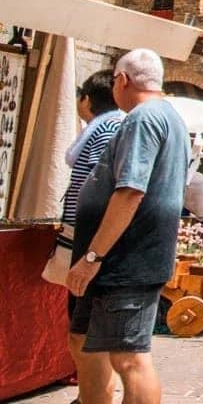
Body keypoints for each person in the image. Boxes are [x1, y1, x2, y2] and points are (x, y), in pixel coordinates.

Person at [66, 49, 189, 404]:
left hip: (128, 258)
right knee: (84, 341)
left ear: (122, 80)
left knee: (128, 357)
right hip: (124, 258)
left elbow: (130, 191)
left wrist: (93, 256)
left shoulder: (143, 118)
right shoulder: (167, 116)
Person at [61, 70, 123, 404]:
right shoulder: (109, 128)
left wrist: (93, 252)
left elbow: (101, 187)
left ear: (86, 100)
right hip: (91, 239)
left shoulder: (106, 129)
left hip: (92, 242)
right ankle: (91, 394)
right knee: (85, 332)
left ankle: (94, 397)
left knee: (84, 333)